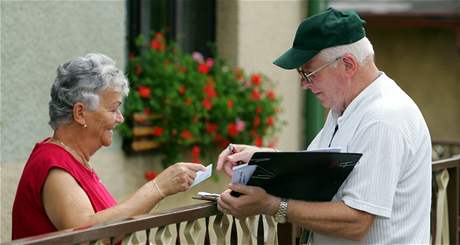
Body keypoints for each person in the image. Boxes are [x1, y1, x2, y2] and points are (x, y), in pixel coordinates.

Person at [216, 8, 431, 244]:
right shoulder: (346, 106)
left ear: (348, 65)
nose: (303, 84)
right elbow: (317, 170)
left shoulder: (382, 118)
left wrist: (271, 205)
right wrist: (264, 158)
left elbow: (357, 221)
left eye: (309, 73)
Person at [12, 53, 206, 239]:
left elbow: (106, 222)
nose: (120, 118)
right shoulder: (53, 166)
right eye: (114, 109)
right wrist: (158, 188)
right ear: (80, 113)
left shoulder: (72, 159)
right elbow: (86, 236)